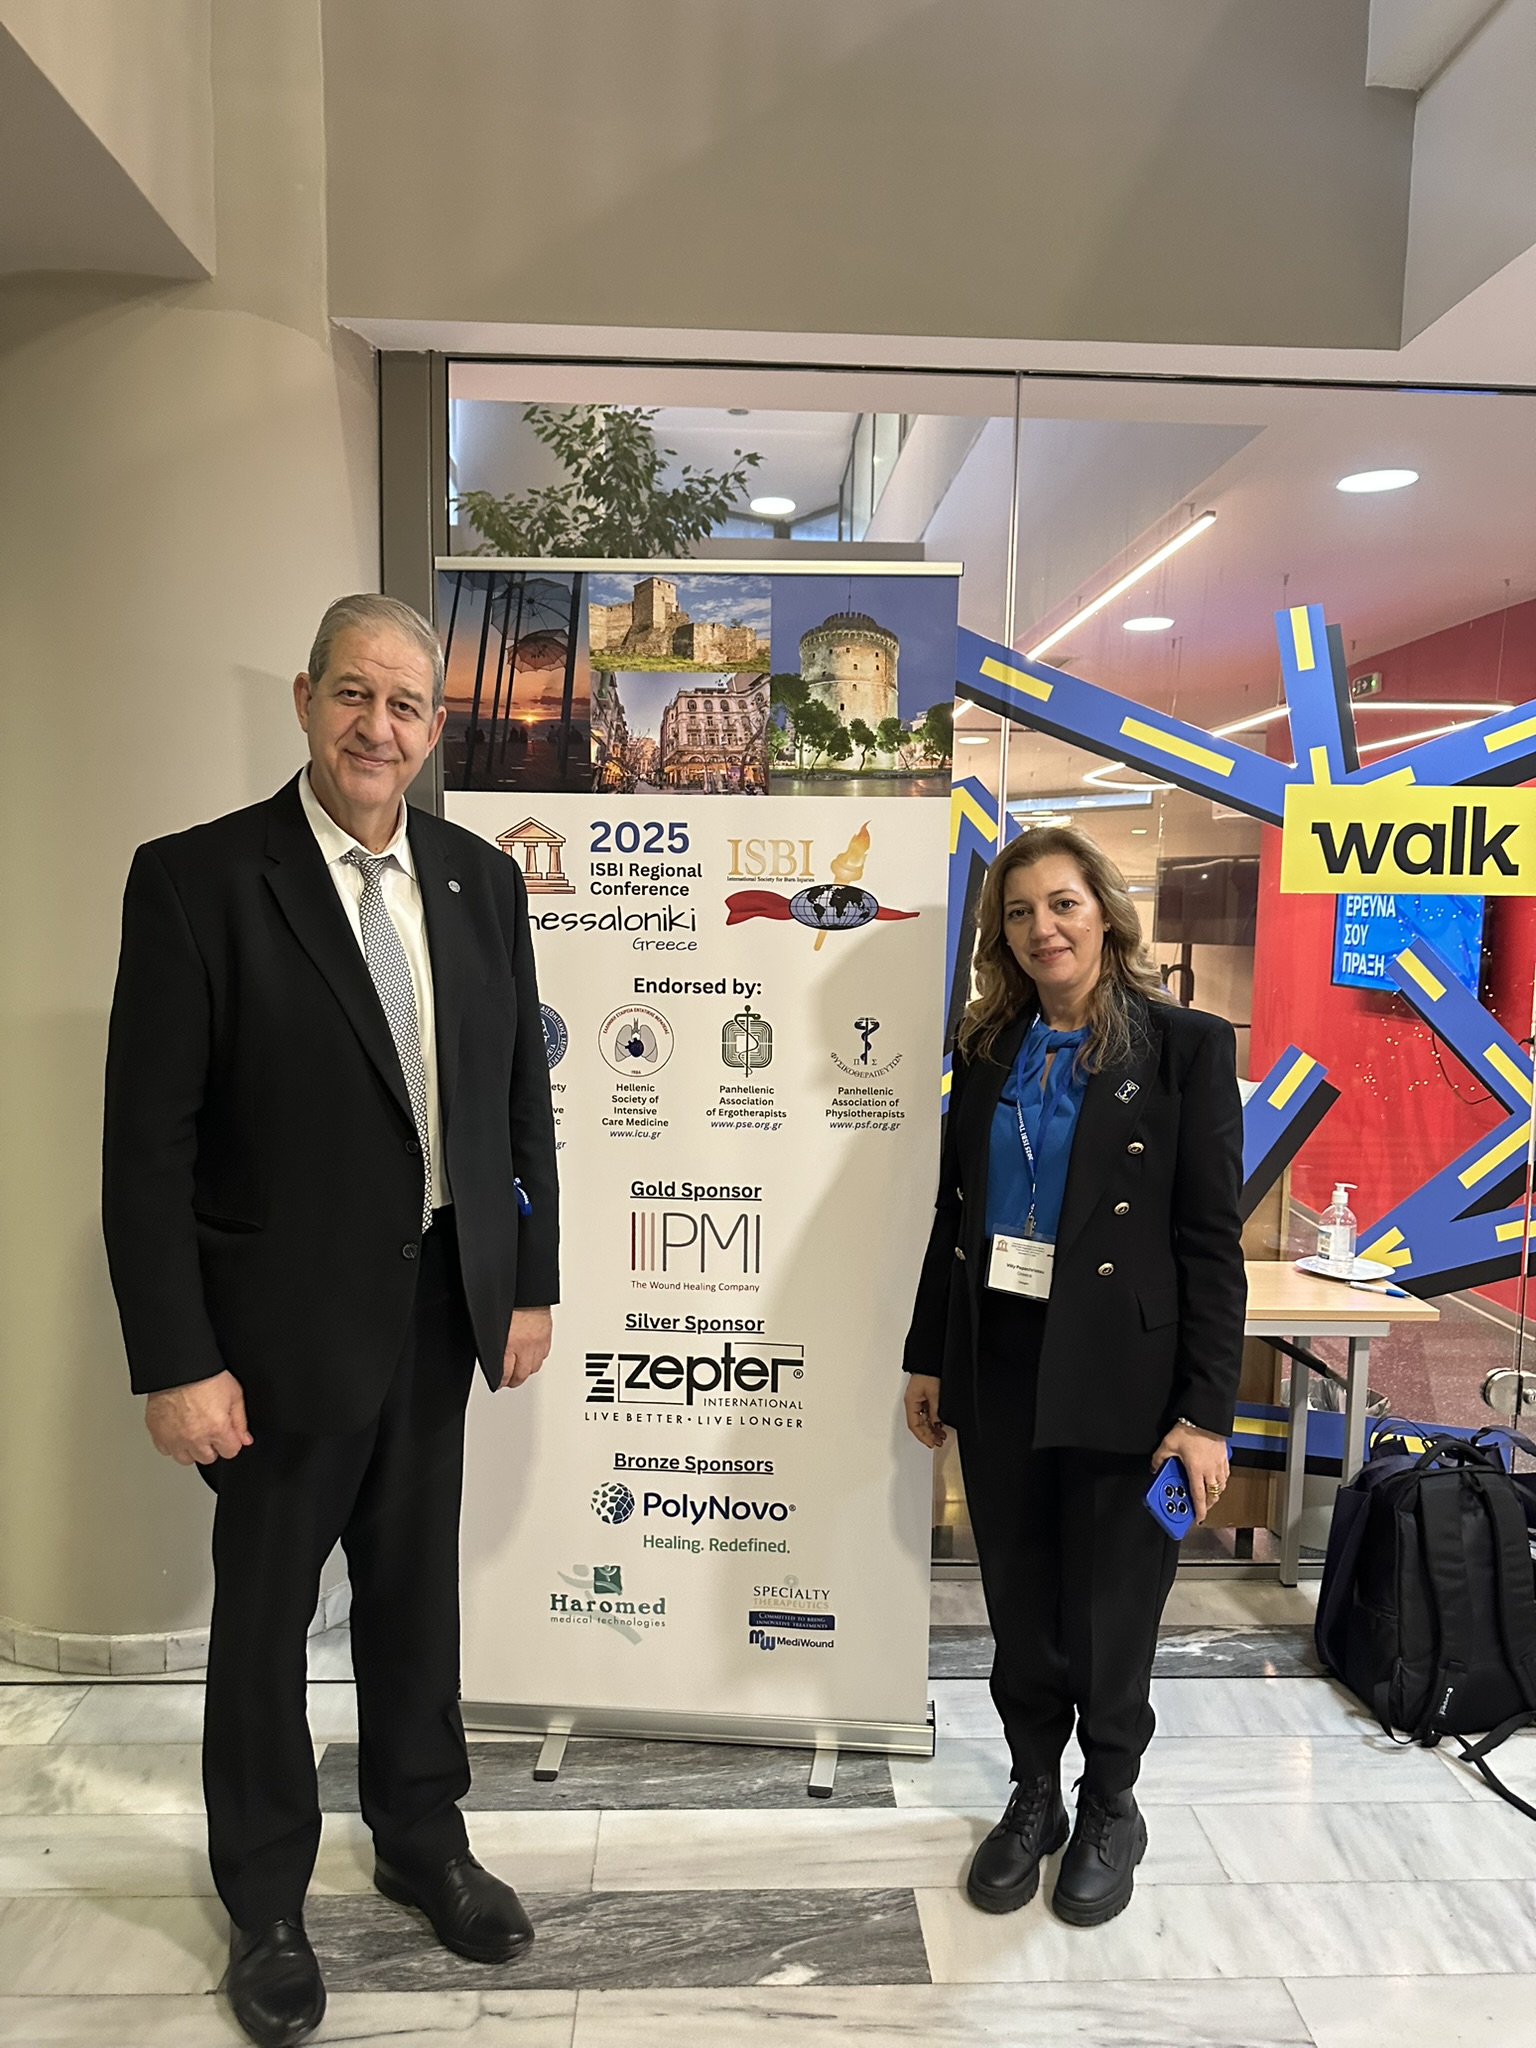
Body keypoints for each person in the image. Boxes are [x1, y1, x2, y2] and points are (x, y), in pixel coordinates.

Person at [102, 594, 559, 2048]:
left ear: (436, 728)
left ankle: (423, 1839)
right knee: (264, 1623)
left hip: (440, 1307)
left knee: (418, 1601)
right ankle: (267, 1901)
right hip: (273, 1334)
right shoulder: (196, 880)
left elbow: (517, 1102)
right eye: (354, 693)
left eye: (406, 704)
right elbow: (146, 1148)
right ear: (305, 699)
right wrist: (178, 1359)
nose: (379, 726)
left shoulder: (482, 881)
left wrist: (528, 1277)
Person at [903, 825, 1244, 1927]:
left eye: (1062, 903)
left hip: (1127, 1377)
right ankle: (1035, 1792)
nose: (1042, 928)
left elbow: (1210, 1246)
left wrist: (1203, 1413)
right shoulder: (989, 1045)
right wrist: (928, 1353)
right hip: (1001, 1356)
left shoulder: (1184, 1046)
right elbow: (955, 1214)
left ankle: (1111, 1802)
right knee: (1020, 1597)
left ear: (1105, 911)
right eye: (1019, 912)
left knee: (1112, 1609)